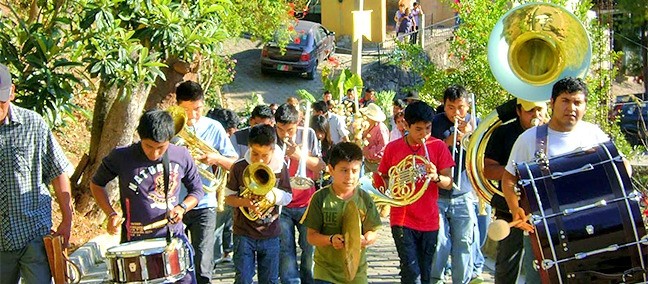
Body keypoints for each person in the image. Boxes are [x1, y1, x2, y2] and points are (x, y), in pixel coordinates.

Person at [501, 77, 623, 281]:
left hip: (589, 230)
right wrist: (515, 210)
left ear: (585, 105)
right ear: (552, 103)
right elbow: (508, 179)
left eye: (577, 102)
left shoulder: (594, 135)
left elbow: (622, 166)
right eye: (565, 101)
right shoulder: (530, 138)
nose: (571, 108)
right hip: (543, 235)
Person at [91, 109, 205, 284]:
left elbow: (197, 190)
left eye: (161, 148)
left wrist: (182, 207)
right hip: (135, 242)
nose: (154, 153)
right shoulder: (122, 156)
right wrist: (111, 213)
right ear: (140, 137)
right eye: (148, 146)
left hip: (173, 239)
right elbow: (97, 184)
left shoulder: (181, 155)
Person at [0, 64, 74, 283]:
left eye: (1, 103)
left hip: (33, 235)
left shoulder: (33, 124)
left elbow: (58, 172)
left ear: (12, 92)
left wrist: (67, 220)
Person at [375, 101, 455, 283]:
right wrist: (392, 187)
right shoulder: (393, 148)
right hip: (402, 218)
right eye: (418, 129)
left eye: (428, 128)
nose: (424, 135)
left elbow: (449, 183)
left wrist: (435, 177)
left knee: (424, 272)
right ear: (406, 125)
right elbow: (384, 177)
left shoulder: (438, 147)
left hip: (429, 220)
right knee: (411, 271)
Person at [175, 81, 239, 283]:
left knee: (203, 264)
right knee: (173, 262)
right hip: (173, 202)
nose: (193, 115)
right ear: (177, 106)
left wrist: (216, 158)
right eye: (186, 110)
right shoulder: (169, 127)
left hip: (204, 202)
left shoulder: (214, 127)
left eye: (198, 109)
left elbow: (234, 163)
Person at [483, 98, 548, 284]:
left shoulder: (552, 132)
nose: (536, 115)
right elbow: (488, 170)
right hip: (509, 207)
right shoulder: (504, 133)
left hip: (542, 209)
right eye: (530, 111)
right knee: (507, 264)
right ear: (518, 111)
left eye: (540, 110)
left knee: (540, 265)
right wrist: (517, 172)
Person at [301, 142, 382, 283]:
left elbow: (373, 231)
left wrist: (365, 239)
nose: (350, 176)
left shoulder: (365, 198)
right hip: (325, 274)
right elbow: (311, 237)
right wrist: (330, 240)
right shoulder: (320, 198)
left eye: (354, 171)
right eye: (344, 170)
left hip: (356, 273)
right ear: (331, 170)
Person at [224, 124, 293, 284]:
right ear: (249, 147)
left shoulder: (280, 167)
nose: (260, 160)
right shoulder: (240, 167)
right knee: (243, 279)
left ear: (273, 150)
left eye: (265, 155)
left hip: (271, 233)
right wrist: (245, 202)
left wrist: (272, 195)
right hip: (243, 233)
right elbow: (228, 197)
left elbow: (288, 196)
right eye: (255, 154)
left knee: (270, 280)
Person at [430, 85, 480, 284]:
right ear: (444, 106)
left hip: (464, 193)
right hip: (438, 194)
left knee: (464, 242)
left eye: (460, 107)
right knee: (439, 241)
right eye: (451, 107)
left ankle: (462, 281)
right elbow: (429, 151)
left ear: (468, 106)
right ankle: (436, 279)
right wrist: (451, 140)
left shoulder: (475, 123)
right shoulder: (435, 123)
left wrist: (471, 135)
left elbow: (482, 155)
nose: (456, 113)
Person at [275, 103, 326, 284]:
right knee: (285, 249)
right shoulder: (272, 137)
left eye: (289, 129)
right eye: (280, 129)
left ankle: (309, 280)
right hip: (281, 204)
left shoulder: (309, 134)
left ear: (298, 123)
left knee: (309, 247)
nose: (285, 134)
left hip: (307, 203)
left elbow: (320, 168)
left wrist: (298, 155)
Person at [360, 103, 389, 174]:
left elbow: (382, 148)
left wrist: (368, 152)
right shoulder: (367, 125)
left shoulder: (381, 129)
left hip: (376, 164)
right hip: (367, 162)